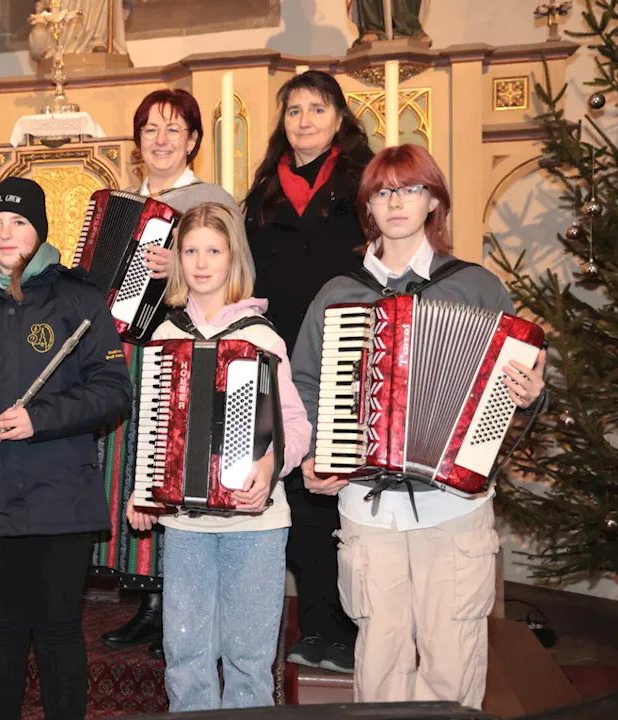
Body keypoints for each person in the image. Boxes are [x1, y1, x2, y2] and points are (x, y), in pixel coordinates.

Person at [292, 144, 546, 708]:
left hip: (453, 506)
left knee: (452, 662)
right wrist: (317, 450)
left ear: (433, 200)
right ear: (368, 208)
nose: (396, 202)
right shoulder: (339, 296)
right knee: (378, 661)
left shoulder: (477, 287)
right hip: (366, 504)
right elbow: (304, 383)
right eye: (382, 192)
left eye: (410, 189)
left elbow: (513, 383)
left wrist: (532, 394)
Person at [0, 177, 132, 720]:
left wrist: (38, 419)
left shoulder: (79, 298)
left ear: (40, 230)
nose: (5, 233)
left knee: (59, 628)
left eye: (18, 222)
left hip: (58, 495)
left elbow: (114, 389)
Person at [125, 203, 309, 710]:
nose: (201, 262)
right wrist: (144, 491)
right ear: (178, 260)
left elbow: (294, 424)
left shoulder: (261, 336)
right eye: (190, 251)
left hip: (256, 523)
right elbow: (154, 425)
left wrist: (271, 467)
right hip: (185, 525)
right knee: (185, 652)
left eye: (213, 250)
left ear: (233, 259)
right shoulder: (165, 335)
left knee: (249, 655)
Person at [101, 88, 241, 659]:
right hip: (129, 353)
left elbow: (234, 271)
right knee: (138, 469)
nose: (160, 140)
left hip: (188, 347)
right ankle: (149, 603)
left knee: (175, 466)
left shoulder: (211, 199)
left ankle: (176, 608)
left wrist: (172, 268)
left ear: (193, 141)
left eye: (173, 129)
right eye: (150, 130)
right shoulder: (126, 202)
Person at [244, 69, 375, 674]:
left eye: (316, 109)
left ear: (339, 117)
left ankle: (351, 627)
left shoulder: (365, 181)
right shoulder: (266, 186)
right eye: (293, 110)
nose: (303, 120)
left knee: (340, 484)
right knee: (293, 486)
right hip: (279, 353)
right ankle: (316, 621)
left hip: (345, 351)